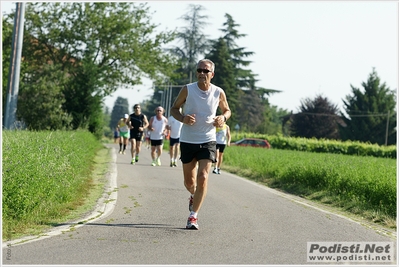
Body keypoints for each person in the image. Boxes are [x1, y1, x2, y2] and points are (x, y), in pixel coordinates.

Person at [170, 59, 231, 230]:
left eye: (206, 71)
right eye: (199, 70)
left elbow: (227, 110)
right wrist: (182, 118)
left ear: (212, 74)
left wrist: (223, 118)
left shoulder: (218, 92)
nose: (202, 73)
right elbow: (174, 109)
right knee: (189, 183)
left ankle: (193, 216)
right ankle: (193, 195)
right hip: (188, 140)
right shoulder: (187, 90)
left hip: (208, 140)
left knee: (203, 176)